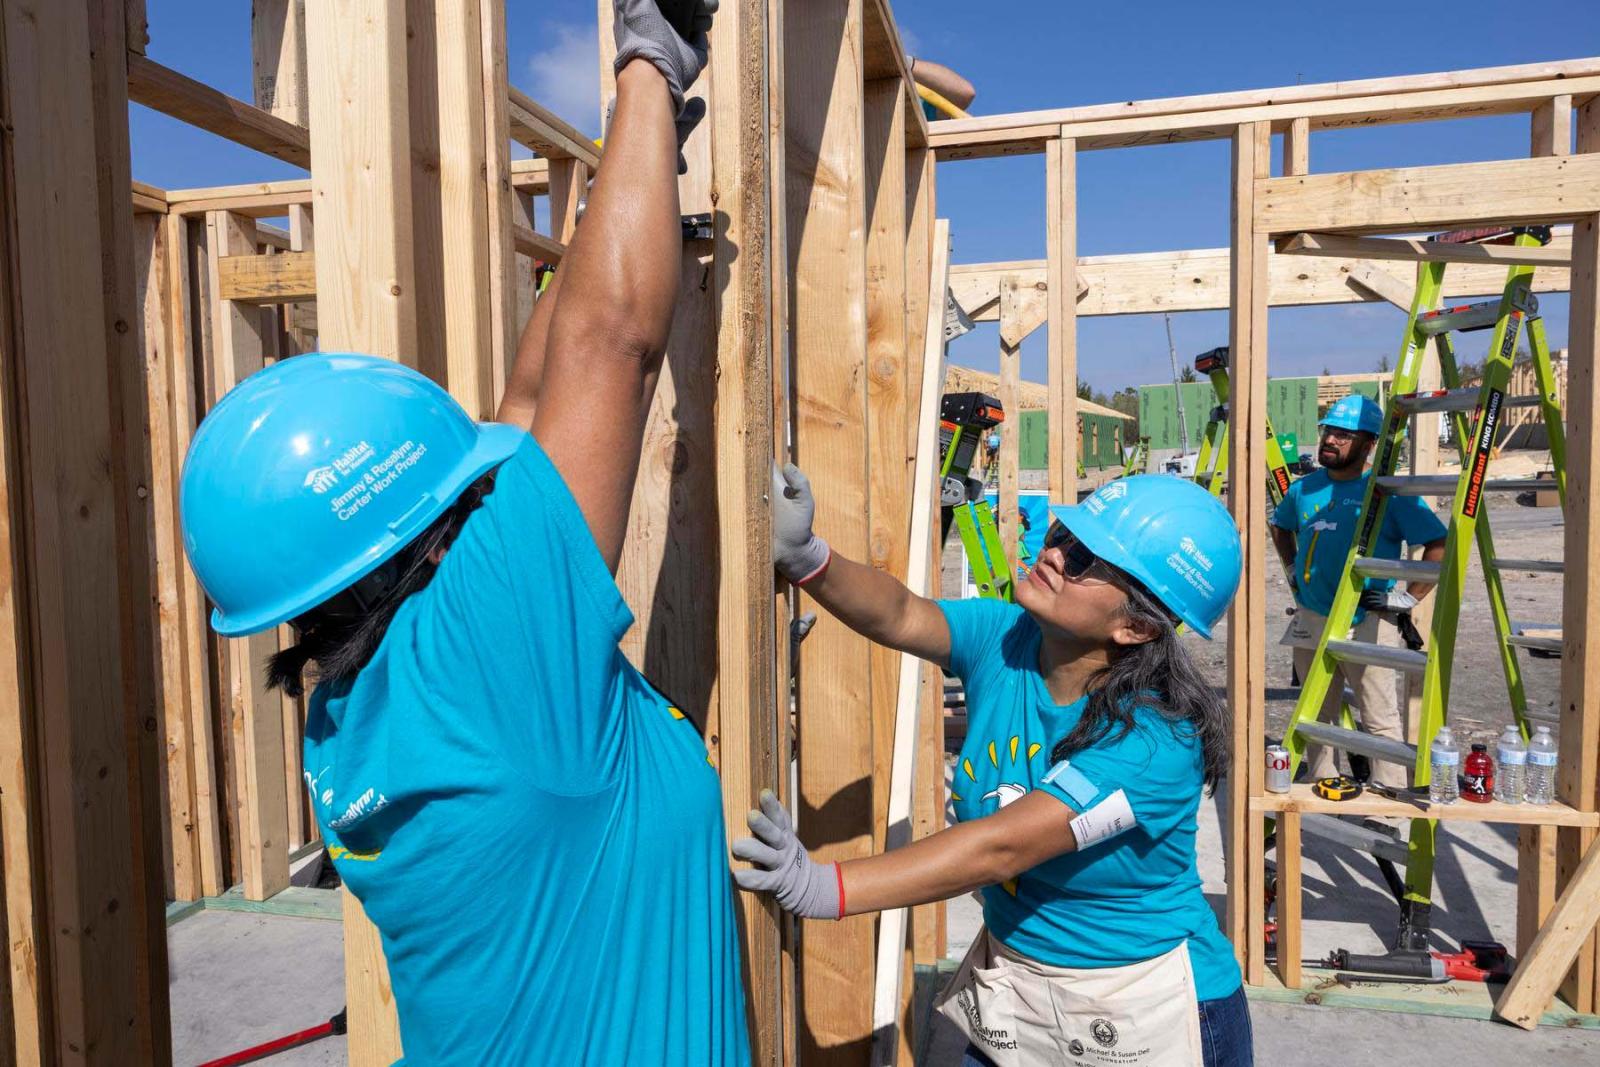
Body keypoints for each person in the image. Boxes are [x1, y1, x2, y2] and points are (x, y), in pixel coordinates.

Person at [179, 3, 751, 1063]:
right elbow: (612, 345)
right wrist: (649, 63)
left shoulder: (358, 705)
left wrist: (609, 210)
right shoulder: (483, 655)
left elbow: (529, 415)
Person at [737, 469, 1253, 1067]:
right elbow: (901, 613)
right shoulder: (1007, 638)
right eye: (1063, 533)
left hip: (1142, 1010)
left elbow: (999, 848)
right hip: (1019, 990)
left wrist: (823, 887)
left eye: (1084, 560)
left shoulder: (1153, 738)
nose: (1054, 554)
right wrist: (808, 558)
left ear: (1135, 626)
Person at [1270, 393, 1447, 794]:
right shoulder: (1304, 490)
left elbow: (1439, 542)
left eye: (1344, 435)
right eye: (1328, 430)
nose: (1331, 440)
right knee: (1315, 711)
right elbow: (1279, 526)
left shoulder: (1383, 493)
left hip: (1367, 619)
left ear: (1368, 446)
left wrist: (1410, 597)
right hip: (1313, 615)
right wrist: (1293, 570)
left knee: (1378, 714)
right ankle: (1320, 781)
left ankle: (1388, 797)